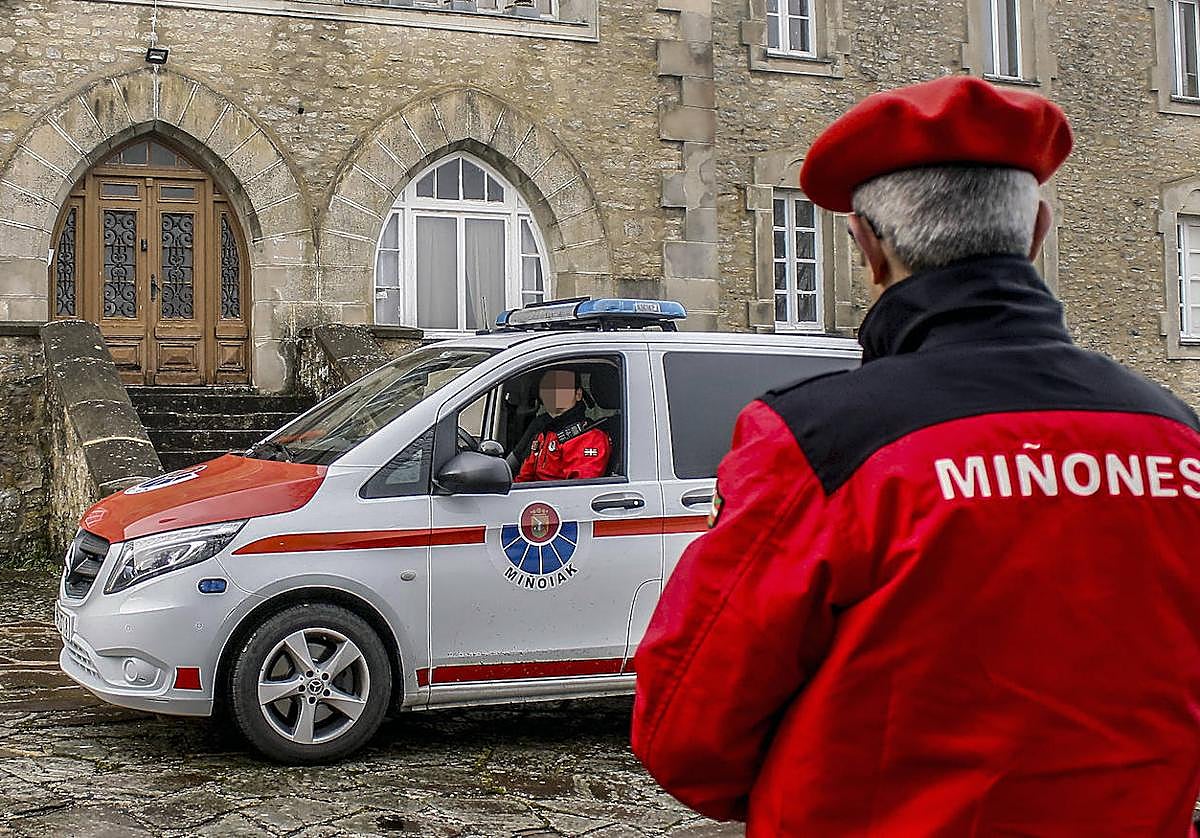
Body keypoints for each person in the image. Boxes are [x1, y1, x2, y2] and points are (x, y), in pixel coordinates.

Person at [631, 75, 1200, 835]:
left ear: (868, 247)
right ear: (1037, 234)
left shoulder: (819, 442)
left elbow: (686, 727)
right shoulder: (1174, 435)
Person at [515, 369, 611, 482]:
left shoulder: (591, 438)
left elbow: (580, 491)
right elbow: (523, 480)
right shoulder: (543, 432)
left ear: (578, 394)